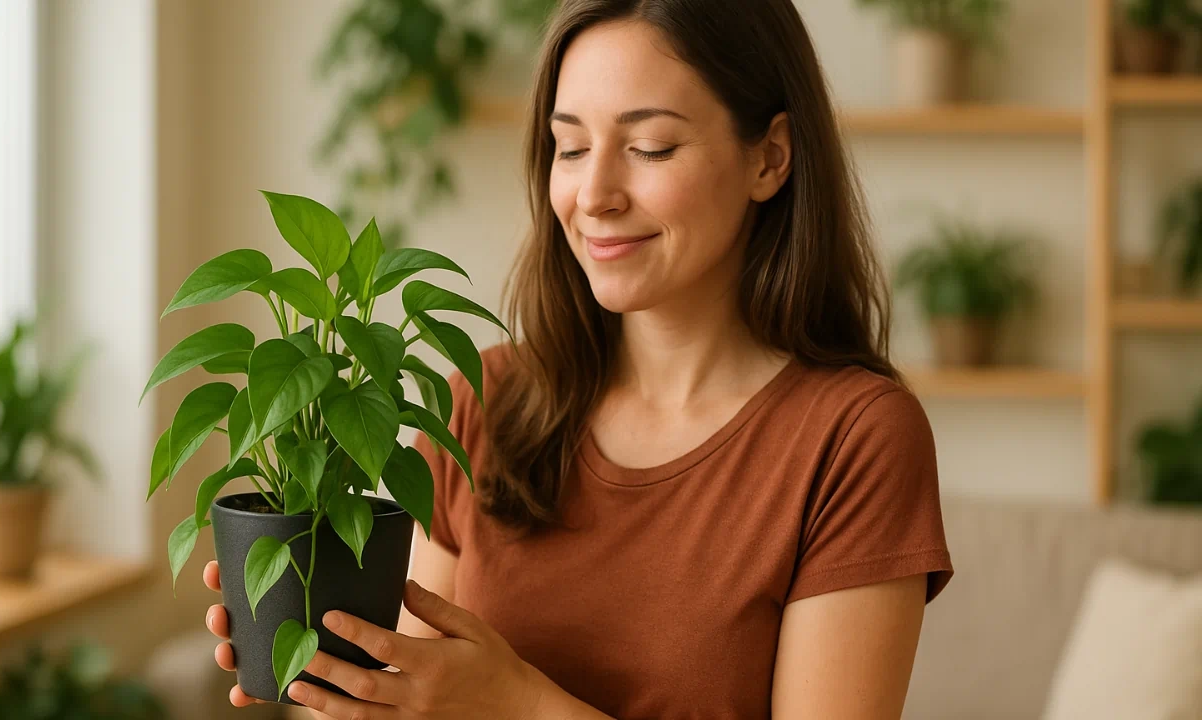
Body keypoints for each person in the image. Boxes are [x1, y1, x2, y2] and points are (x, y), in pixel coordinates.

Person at [202, 0, 955, 717]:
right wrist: (325, 677)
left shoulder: (855, 440)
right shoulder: (484, 400)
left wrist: (520, 707)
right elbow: (410, 697)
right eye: (570, 147)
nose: (594, 194)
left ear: (771, 158)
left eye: (649, 147)